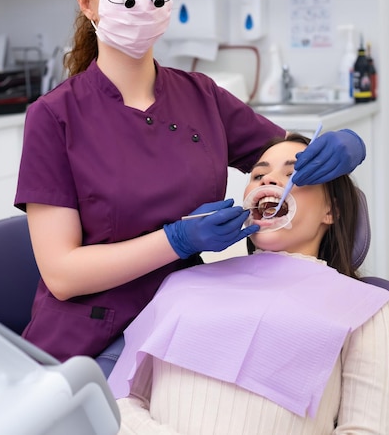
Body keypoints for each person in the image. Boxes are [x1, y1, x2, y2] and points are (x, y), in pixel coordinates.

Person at [14, 0, 366, 371]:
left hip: (185, 316)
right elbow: (62, 275)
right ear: (87, 1)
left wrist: (346, 145)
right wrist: (176, 240)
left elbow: (286, 163)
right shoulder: (54, 117)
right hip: (90, 340)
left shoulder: (202, 97)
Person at [109, 133, 389, 435]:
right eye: (258, 174)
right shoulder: (182, 284)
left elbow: (365, 429)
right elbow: (121, 402)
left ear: (330, 211)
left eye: (294, 173)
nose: (268, 179)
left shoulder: (365, 306)